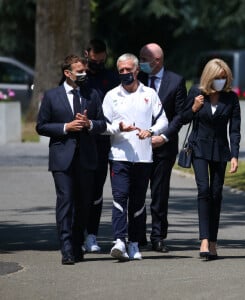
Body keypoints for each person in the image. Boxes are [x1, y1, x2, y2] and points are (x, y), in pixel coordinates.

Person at [36, 55, 107, 265]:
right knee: (65, 202)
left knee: (83, 204)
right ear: (67, 73)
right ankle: (66, 248)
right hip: (62, 158)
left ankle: (77, 244)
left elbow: (103, 123)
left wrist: (89, 124)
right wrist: (66, 127)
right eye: (79, 71)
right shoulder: (52, 96)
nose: (84, 74)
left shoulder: (92, 94)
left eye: (84, 71)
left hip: (86, 158)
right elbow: (41, 126)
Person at [102, 53, 168, 261]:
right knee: (120, 197)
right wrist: (119, 127)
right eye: (120, 70)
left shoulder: (149, 94)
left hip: (143, 157)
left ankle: (134, 243)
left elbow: (163, 120)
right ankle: (119, 240)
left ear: (137, 70)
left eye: (128, 70)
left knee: (138, 202)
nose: (124, 74)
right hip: (119, 156)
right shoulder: (111, 95)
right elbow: (103, 125)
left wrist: (150, 131)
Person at [181, 58, 241, 260]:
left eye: (224, 78)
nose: (221, 82)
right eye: (217, 78)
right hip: (199, 147)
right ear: (209, 77)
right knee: (204, 190)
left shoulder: (231, 98)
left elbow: (234, 129)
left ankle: (213, 241)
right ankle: (204, 239)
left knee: (216, 194)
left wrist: (235, 155)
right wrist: (194, 108)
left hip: (220, 149)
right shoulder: (196, 93)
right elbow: (183, 118)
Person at [138, 43, 187, 252]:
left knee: (159, 194)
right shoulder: (136, 79)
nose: (141, 62)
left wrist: (164, 137)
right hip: (138, 144)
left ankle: (158, 236)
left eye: (144, 58)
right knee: (137, 192)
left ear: (157, 60)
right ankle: (137, 235)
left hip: (163, 147)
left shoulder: (176, 81)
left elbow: (180, 116)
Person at [82, 39, 120, 253]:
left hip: (104, 140)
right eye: (94, 59)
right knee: (81, 191)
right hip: (83, 141)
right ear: (86, 54)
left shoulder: (111, 78)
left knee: (97, 190)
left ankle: (92, 234)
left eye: (102, 59)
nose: (98, 63)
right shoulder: (79, 77)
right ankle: (78, 232)